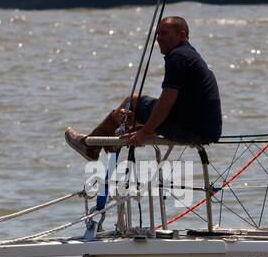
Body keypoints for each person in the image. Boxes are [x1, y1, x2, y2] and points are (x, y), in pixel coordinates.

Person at [64, 16, 221, 162]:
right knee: (135, 113)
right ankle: (108, 139)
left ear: (182, 35)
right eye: (157, 33)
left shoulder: (177, 57)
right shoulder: (191, 56)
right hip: (207, 131)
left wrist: (145, 133)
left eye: (164, 33)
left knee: (132, 101)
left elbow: (167, 99)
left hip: (191, 130)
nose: (159, 38)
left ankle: (91, 146)